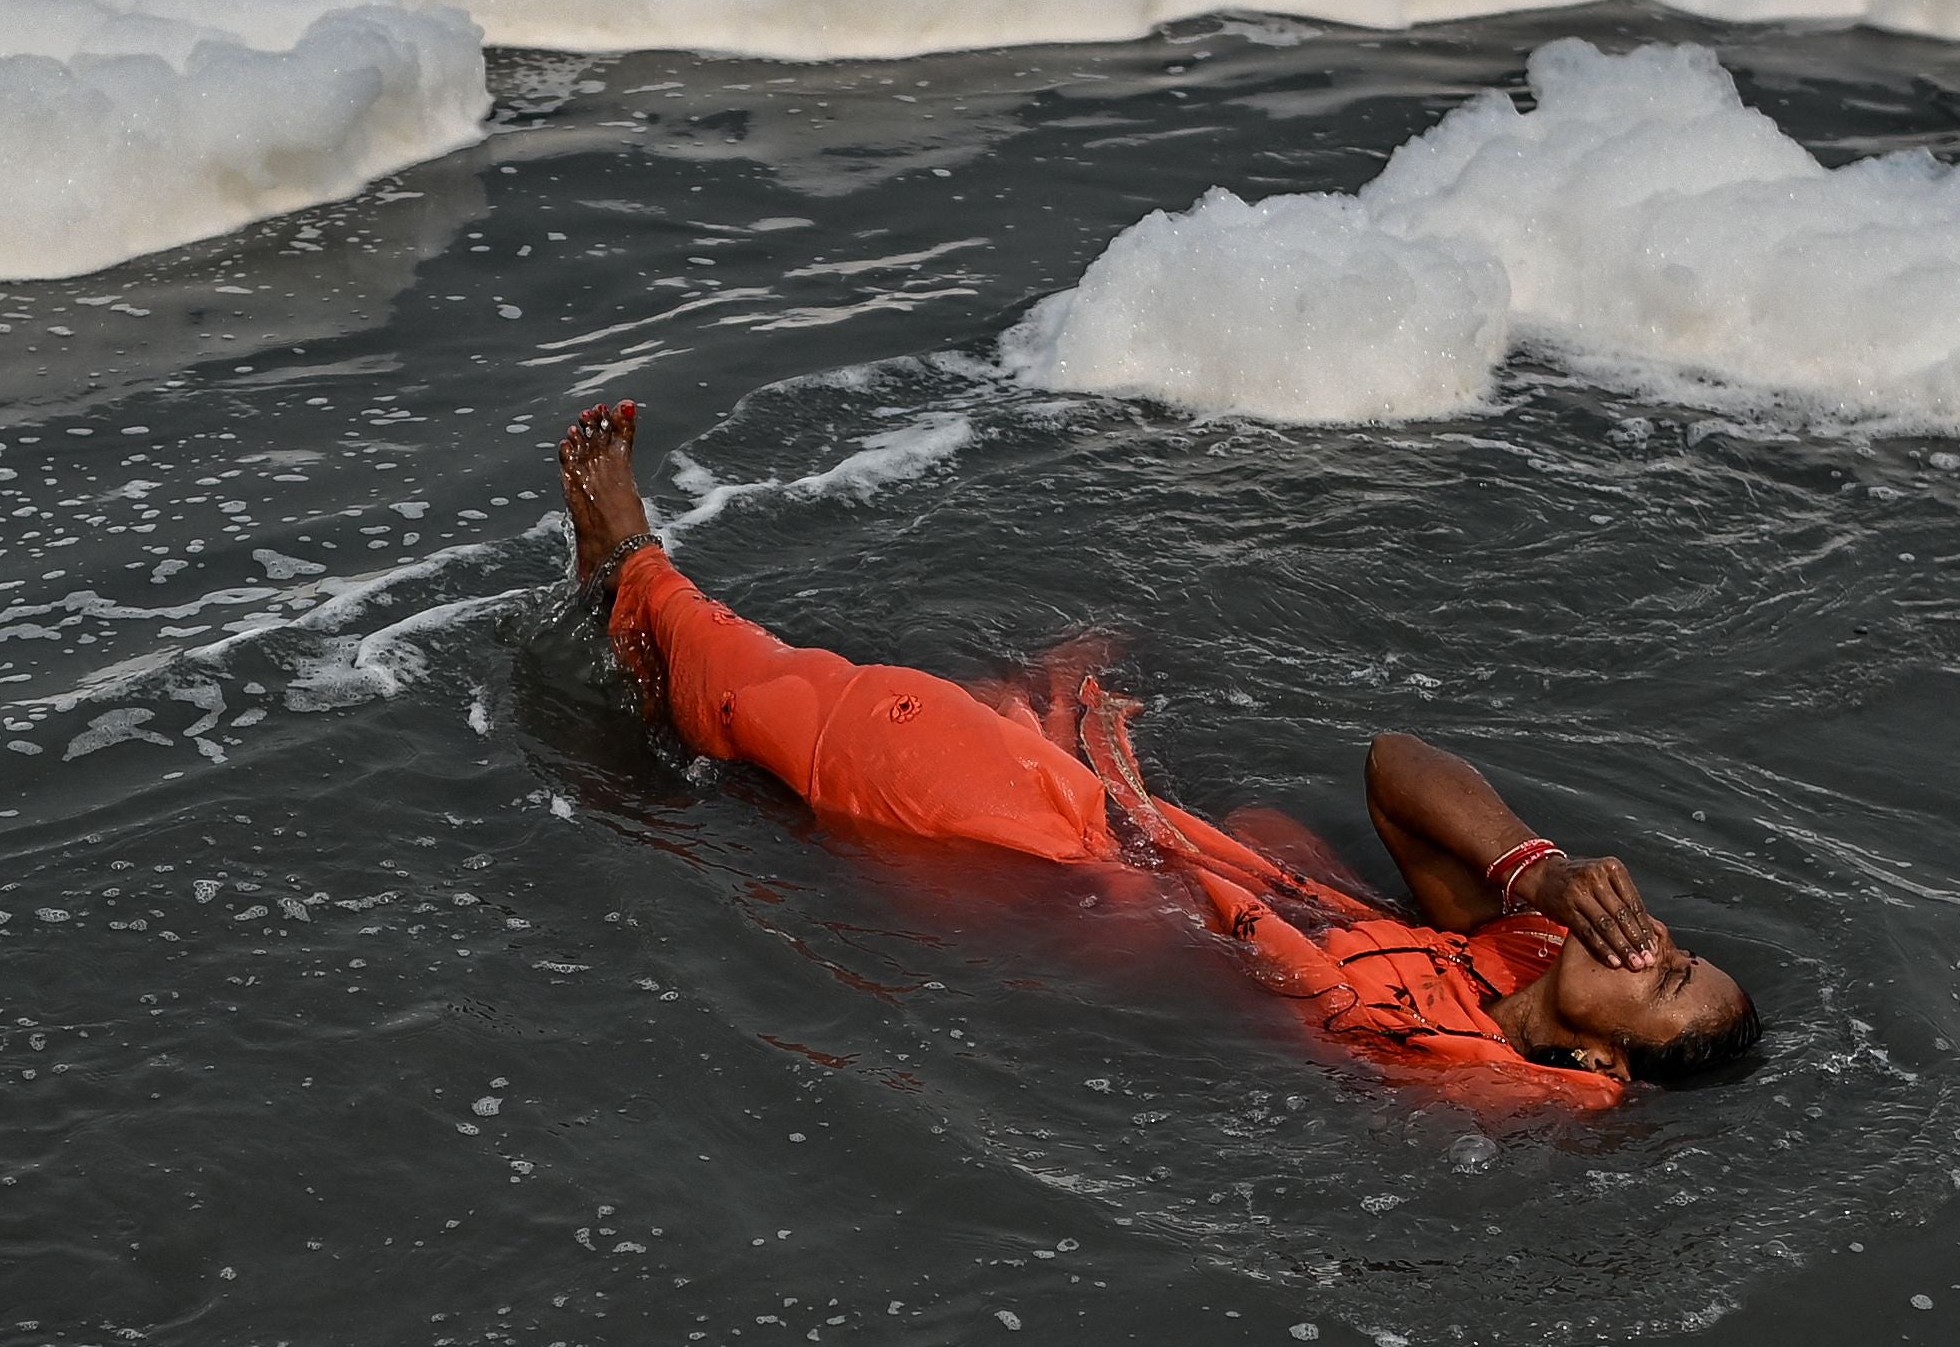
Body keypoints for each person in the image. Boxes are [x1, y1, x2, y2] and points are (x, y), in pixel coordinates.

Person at [553, 400, 1758, 1103]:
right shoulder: (1521, 946)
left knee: (865, 727)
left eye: (1659, 979)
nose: (1649, 941)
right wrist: (1531, 870)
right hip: (1160, 857)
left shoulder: (1509, 1082)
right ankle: (668, 665)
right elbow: (1397, 763)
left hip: (1069, 891)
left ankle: (631, 572)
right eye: (1680, 946)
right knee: (955, 731)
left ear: (1603, 1061)